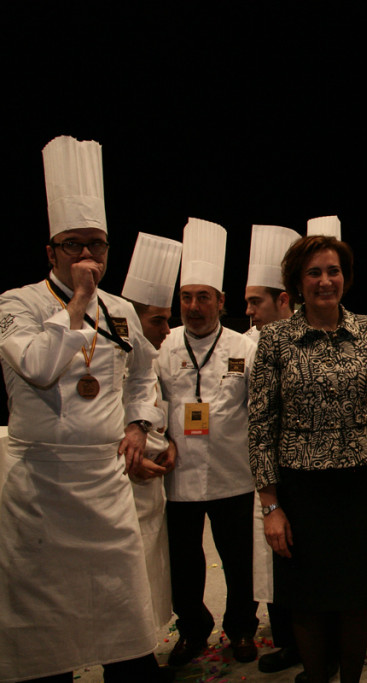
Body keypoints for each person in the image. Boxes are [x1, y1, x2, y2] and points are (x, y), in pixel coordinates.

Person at [0, 136, 166, 682]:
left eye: (97, 245)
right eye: (73, 245)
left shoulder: (121, 311)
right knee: (44, 624)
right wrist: (75, 304)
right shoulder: (17, 303)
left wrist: (138, 423)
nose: (87, 257)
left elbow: (142, 375)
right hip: (41, 485)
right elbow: (37, 366)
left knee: (122, 612)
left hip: (104, 480)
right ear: (50, 253)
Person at [249, 234, 367, 683]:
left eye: (333, 271)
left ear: (345, 277)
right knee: (307, 601)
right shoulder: (275, 338)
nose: (325, 281)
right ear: (297, 282)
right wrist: (270, 506)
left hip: (360, 487)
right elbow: (260, 425)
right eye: (313, 272)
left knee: (355, 598)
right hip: (300, 490)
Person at [157, 218, 260, 667]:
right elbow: (150, 402)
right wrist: (159, 438)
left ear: (221, 300)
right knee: (183, 561)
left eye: (203, 297)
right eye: (186, 297)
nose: (194, 306)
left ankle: (241, 628)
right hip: (178, 473)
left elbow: (260, 411)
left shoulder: (245, 347)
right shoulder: (163, 346)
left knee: (239, 560)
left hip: (232, 473)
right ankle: (193, 629)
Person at [240, 222, 304, 675]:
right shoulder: (246, 345)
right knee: (271, 562)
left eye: (255, 302)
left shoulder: (308, 340)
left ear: (283, 300)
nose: (248, 312)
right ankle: (287, 643)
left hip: (303, 469)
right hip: (264, 473)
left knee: (305, 562)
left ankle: (315, 647)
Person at [121, 231, 184, 639]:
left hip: (153, 486)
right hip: (123, 485)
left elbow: (154, 412)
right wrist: (127, 458)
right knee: (129, 576)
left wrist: (169, 440)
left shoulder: (150, 361)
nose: (166, 328)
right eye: (157, 320)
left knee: (153, 571)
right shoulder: (112, 361)